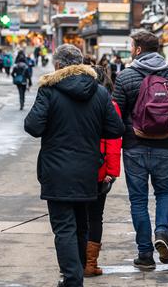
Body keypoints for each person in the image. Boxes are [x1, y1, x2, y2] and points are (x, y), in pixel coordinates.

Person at [24, 45, 124, 287]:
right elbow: (116, 129)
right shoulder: (99, 92)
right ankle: (75, 276)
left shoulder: (48, 90)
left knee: (64, 229)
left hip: (56, 172)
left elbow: (33, 126)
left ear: (58, 65)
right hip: (87, 170)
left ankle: (72, 280)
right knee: (81, 226)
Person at [113, 30, 168, 271]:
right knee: (165, 193)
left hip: (134, 147)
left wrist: (115, 147)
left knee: (138, 200)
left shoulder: (125, 77)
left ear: (138, 49)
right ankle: (162, 233)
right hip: (166, 146)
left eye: (131, 46)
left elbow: (115, 116)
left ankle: (145, 254)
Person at [82, 55, 120, 277]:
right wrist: (112, 173)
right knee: (95, 216)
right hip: (100, 171)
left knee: (79, 217)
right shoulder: (109, 103)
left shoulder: (74, 102)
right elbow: (114, 142)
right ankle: (90, 264)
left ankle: (76, 262)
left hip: (78, 169)